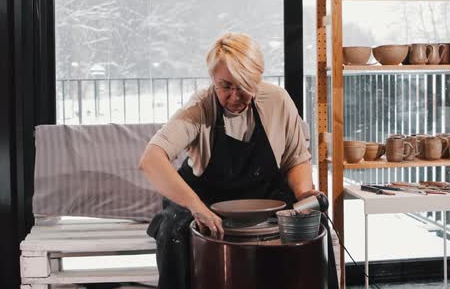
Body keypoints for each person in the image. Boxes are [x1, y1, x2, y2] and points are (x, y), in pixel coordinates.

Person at [138, 32, 337, 289]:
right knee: (172, 230)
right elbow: (151, 159)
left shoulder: (277, 101)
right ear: (213, 79)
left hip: (266, 196)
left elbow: (295, 157)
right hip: (206, 199)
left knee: (314, 219)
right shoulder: (199, 108)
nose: (234, 97)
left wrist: (303, 193)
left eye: (244, 86)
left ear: (257, 79)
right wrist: (197, 207)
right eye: (225, 86)